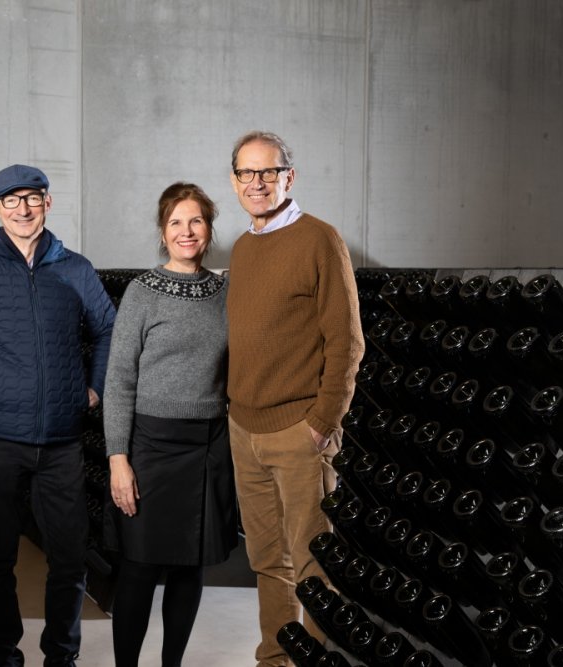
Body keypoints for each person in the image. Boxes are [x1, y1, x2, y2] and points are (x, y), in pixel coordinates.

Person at [0, 163, 116, 667]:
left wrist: (95, 389)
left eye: (32, 198)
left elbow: (108, 329)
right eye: (10, 200)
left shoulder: (74, 267)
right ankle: (5, 656)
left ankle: (61, 654)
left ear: (48, 203)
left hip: (62, 442)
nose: (23, 209)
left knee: (70, 558)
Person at [225, 131, 365, 666]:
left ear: (289, 175)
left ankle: (319, 659)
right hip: (245, 428)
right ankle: (277, 659)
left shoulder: (320, 240)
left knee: (314, 561)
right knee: (267, 559)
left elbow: (347, 341)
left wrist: (322, 420)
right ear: (235, 180)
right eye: (246, 173)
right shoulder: (243, 245)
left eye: (268, 171)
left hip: (298, 431)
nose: (257, 183)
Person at [102, 182, 239, 667]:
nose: (187, 231)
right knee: (138, 568)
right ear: (163, 231)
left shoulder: (227, 290)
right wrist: (119, 459)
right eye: (176, 222)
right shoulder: (142, 292)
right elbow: (118, 380)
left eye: (196, 221)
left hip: (208, 446)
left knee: (189, 568)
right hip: (151, 446)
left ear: (209, 228)